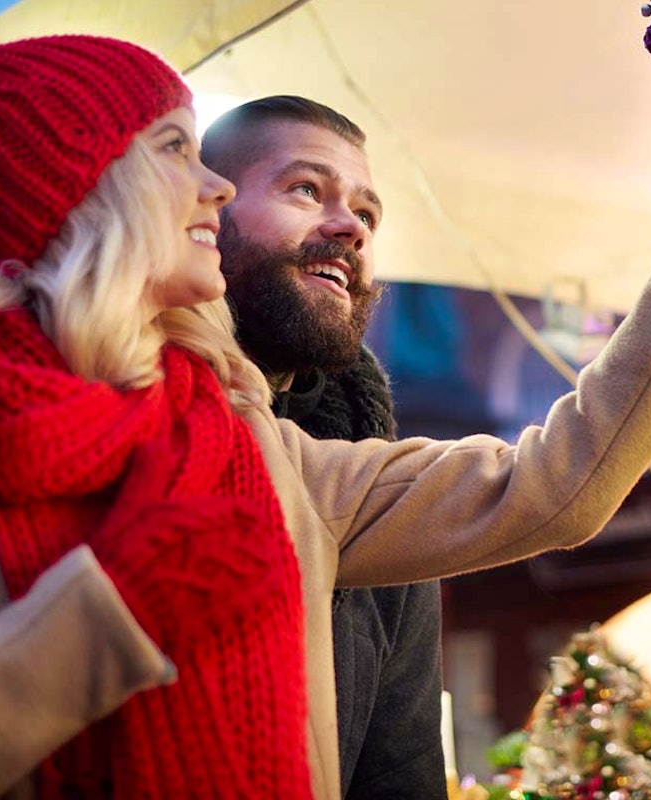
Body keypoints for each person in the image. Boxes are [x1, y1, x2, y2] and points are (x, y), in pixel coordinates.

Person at [0, 33, 651, 800]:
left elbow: (545, 487)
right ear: (83, 183)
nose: (206, 180)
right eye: (179, 150)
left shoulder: (263, 449)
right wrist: (110, 613)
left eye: (368, 212)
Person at [203, 97, 448, 799]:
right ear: (205, 211)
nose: (350, 229)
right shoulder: (116, 408)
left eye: (367, 215)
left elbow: (401, 770)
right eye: (306, 189)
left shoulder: (372, 483)